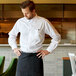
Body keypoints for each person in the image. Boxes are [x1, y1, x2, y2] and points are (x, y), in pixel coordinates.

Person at [8, 0, 61, 76]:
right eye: (23, 13)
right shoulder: (20, 22)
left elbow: (57, 37)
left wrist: (48, 50)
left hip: (36, 57)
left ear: (33, 11)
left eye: (27, 13)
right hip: (22, 56)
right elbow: (12, 35)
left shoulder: (43, 22)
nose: (24, 15)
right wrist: (14, 48)